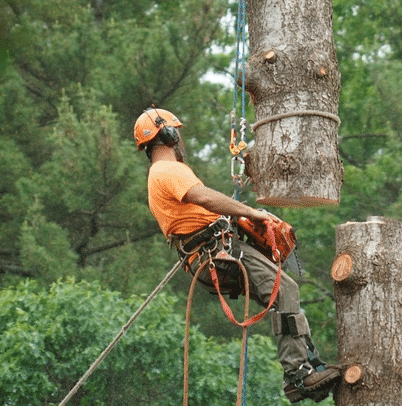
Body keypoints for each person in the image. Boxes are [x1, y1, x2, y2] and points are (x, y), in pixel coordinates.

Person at [133, 107, 341, 403]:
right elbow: (203, 196)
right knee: (285, 289)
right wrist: (251, 211)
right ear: (168, 134)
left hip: (208, 255)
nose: (181, 139)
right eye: (177, 132)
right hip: (215, 252)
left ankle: (307, 363)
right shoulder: (168, 170)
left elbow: (198, 208)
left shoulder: (158, 175)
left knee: (284, 296)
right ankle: (298, 374)